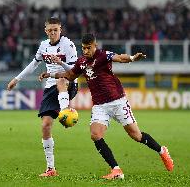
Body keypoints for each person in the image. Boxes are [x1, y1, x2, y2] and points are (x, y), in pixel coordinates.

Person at [39, 33, 174, 179]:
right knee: (95, 134)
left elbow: (120, 58)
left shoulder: (103, 55)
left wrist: (132, 58)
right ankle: (116, 170)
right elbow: (71, 75)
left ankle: (162, 151)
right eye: (83, 48)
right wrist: (51, 75)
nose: (85, 51)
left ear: (95, 46)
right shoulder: (82, 62)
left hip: (118, 101)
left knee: (136, 135)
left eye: (88, 48)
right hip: (100, 105)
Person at [7, 17, 78, 177]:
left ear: (60, 30)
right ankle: (51, 169)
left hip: (68, 81)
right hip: (50, 86)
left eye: (56, 30)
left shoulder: (68, 45)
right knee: (45, 125)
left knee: (61, 80)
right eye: (50, 30)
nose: (53, 33)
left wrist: (60, 63)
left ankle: (66, 110)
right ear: (46, 31)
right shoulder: (43, 45)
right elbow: (34, 64)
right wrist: (16, 79)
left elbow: (74, 71)